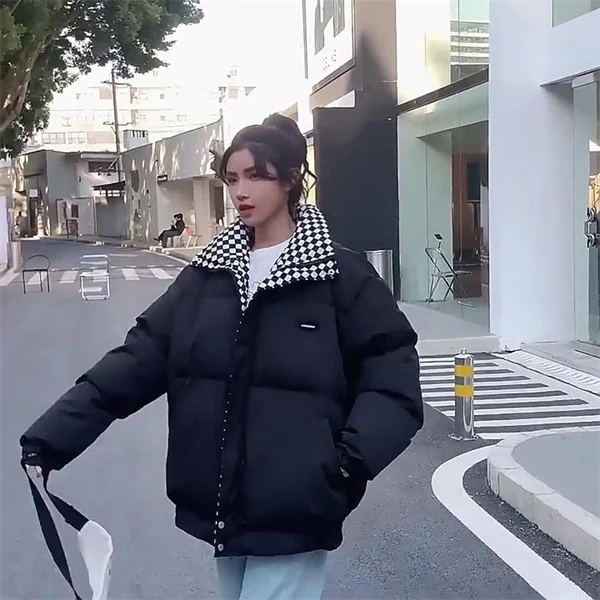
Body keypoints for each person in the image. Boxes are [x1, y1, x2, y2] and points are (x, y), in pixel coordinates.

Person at [20, 114, 424, 600]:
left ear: (290, 179)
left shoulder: (340, 275)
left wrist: (342, 466)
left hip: (299, 508)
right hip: (225, 506)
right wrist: (50, 440)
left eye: (256, 176)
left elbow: (393, 379)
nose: (241, 191)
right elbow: (135, 360)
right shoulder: (208, 275)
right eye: (232, 178)